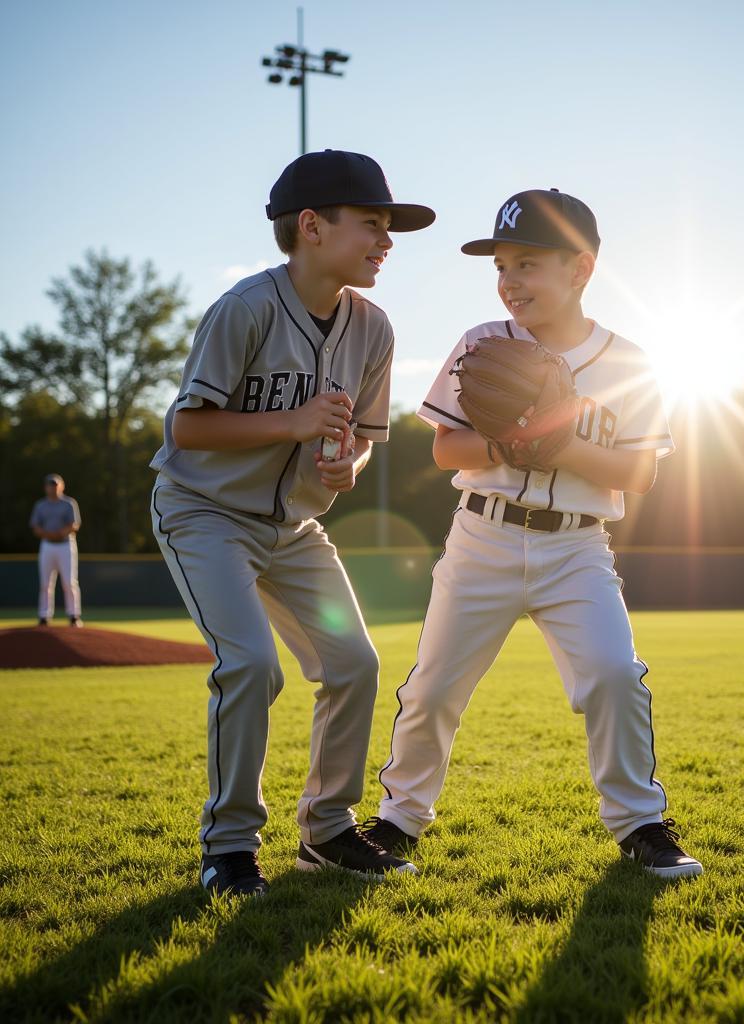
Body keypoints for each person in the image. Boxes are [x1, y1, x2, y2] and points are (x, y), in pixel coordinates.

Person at [365, 189, 703, 880]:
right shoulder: (483, 344)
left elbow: (637, 473)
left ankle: (640, 822)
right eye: (501, 267)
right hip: (482, 539)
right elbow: (446, 451)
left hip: (576, 547)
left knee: (613, 676)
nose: (509, 280)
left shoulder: (629, 360)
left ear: (580, 270)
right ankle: (399, 819)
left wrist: (556, 444)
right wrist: (514, 442)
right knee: (432, 689)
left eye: (527, 264)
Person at [149, 150, 435, 897]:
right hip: (204, 513)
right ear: (311, 226)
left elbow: (363, 441)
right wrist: (296, 421)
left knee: (355, 665)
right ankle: (230, 847)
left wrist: (348, 468)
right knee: (251, 666)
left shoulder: (373, 327)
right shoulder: (245, 309)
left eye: (388, 226)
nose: (387, 239)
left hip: (296, 528)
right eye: (372, 223)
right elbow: (187, 429)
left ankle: (329, 830)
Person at [29, 474, 82, 627]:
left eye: (55, 485)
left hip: (66, 545)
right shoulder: (41, 505)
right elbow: (35, 526)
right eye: (50, 485)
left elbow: (74, 525)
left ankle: (74, 615)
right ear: (46, 488)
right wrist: (49, 534)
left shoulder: (68, 503)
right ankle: (44, 615)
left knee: (69, 582)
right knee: (45, 583)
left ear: (62, 486)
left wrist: (59, 533)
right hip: (47, 545)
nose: (53, 488)